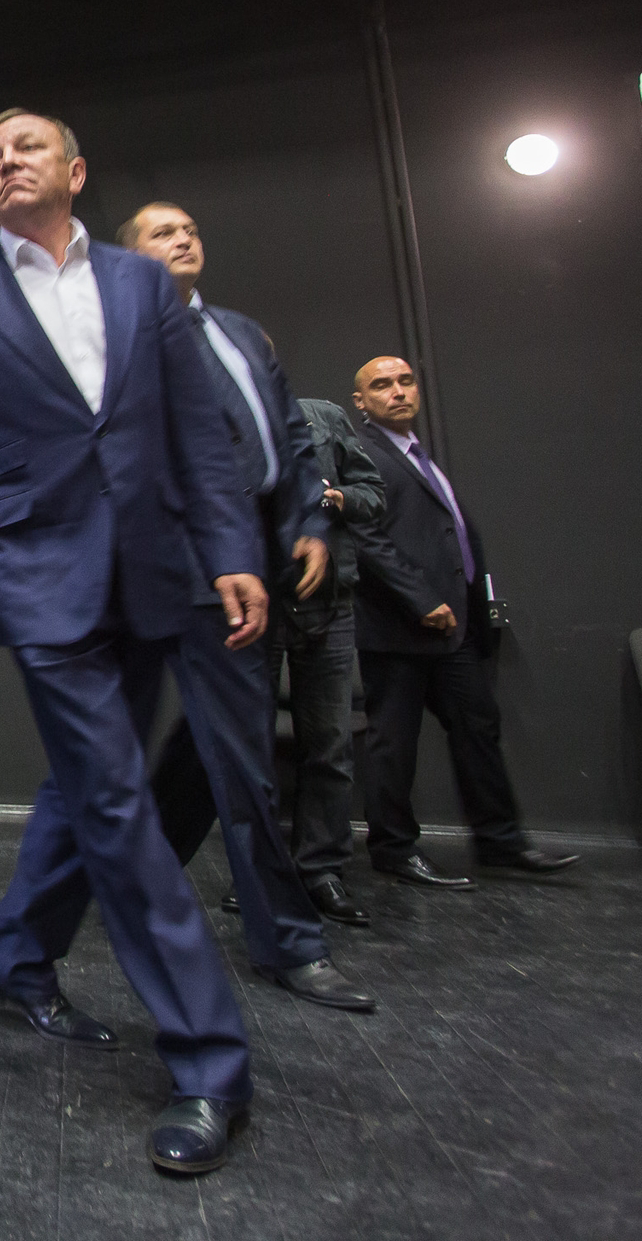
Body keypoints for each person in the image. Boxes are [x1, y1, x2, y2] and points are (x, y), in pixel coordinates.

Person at [0, 110, 261, 1176]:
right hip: (33, 575)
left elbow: (195, 430)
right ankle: (209, 1059)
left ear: (76, 170)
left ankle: (16, 957)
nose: (3, 162)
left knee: (86, 789)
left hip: (150, 571)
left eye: (25, 148)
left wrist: (228, 546)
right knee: (115, 804)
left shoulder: (144, 285)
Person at [112, 204, 373, 1008]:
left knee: (210, 750)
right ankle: (288, 941)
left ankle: (129, 880)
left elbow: (291, 440)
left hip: (262, 558)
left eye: (189, 228)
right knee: (245, 757)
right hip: (186, 565)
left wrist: (309, 525)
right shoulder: (122, 340)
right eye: (162, 232)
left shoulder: (242, 334)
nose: (183, 237)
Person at [347, 356, 578, 889]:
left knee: (478, 727)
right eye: (382, 385)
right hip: (400, 627)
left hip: (452, 629)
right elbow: (365, 537)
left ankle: (500, 842)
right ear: (360, 401)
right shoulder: (363, 454)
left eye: (406, 381)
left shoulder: (417, 454)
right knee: (393, 744)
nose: (398, 392)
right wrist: (420, 599)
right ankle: (393, 849)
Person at [272, 395, 386, 922]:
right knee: (248, 747)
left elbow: (373, 494)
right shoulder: (217, 418)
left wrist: (338, 499)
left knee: (330, 744)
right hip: (257, 600)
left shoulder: (324, 417)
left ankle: (321, 871)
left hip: (329, 601)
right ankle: (261, 871)